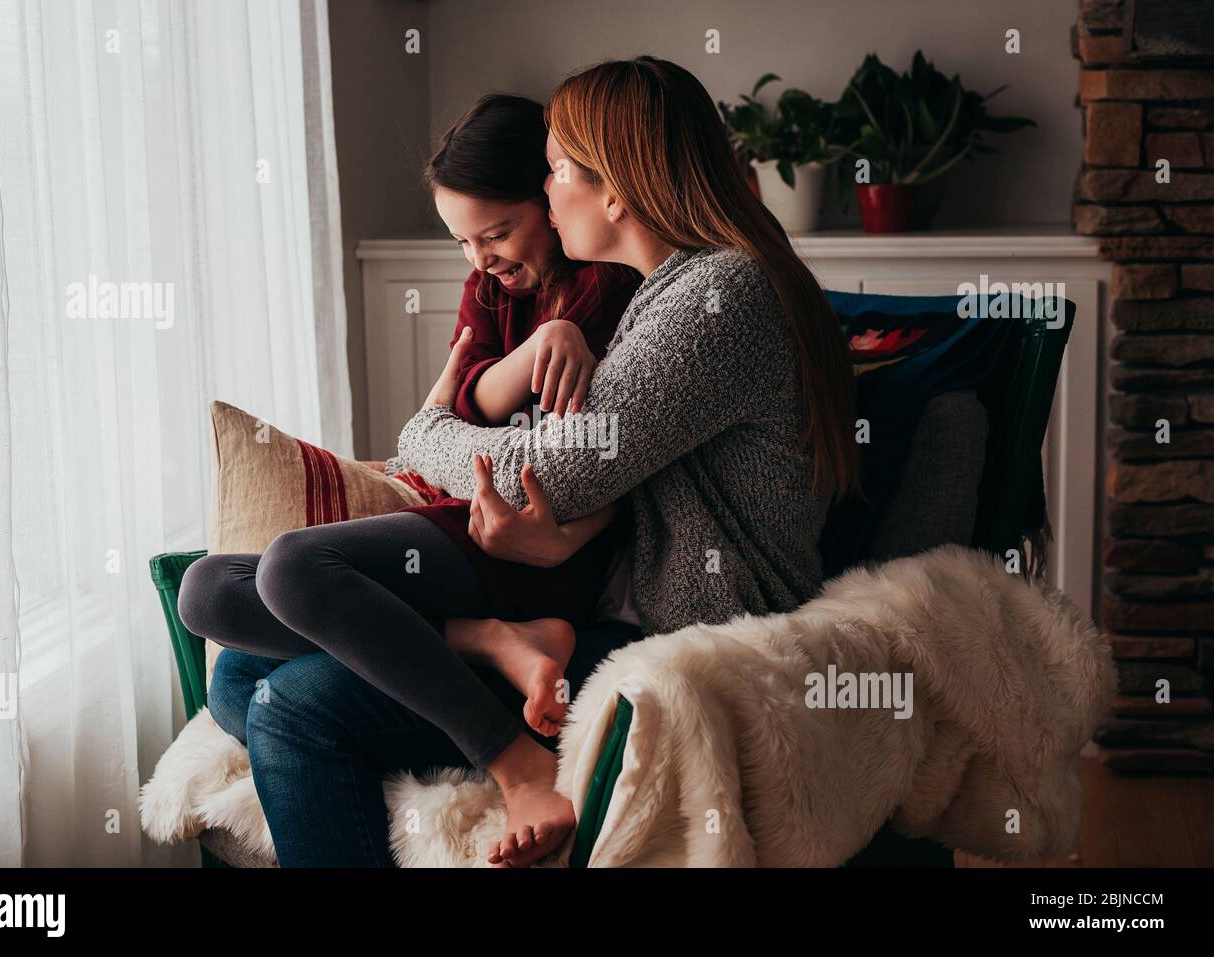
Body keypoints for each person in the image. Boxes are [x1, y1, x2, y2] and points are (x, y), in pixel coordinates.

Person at [203, 55, 860, 868]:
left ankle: (520, 762)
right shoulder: (672, 289)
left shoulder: (715, 300)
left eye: (554, 172)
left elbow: (543, 471)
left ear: (613, 188)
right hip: (627, 616)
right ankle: (485, 647)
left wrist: (426, 428)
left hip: (691, 650)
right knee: (239, 674)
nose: (546, 193)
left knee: (290, 703)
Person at [179, 93, 640, 867]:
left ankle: (516, 760)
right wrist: (532, 354)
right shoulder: (497, 289)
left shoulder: (607, 291)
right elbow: (462, 396)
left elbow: (574, 460)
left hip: (519, 552)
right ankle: (487, 643)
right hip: (461, 536)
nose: (480, 258)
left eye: (497, 232)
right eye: (463, 240)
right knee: (212, 607)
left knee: (293, 567)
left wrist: (542, 350)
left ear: (554, 198)